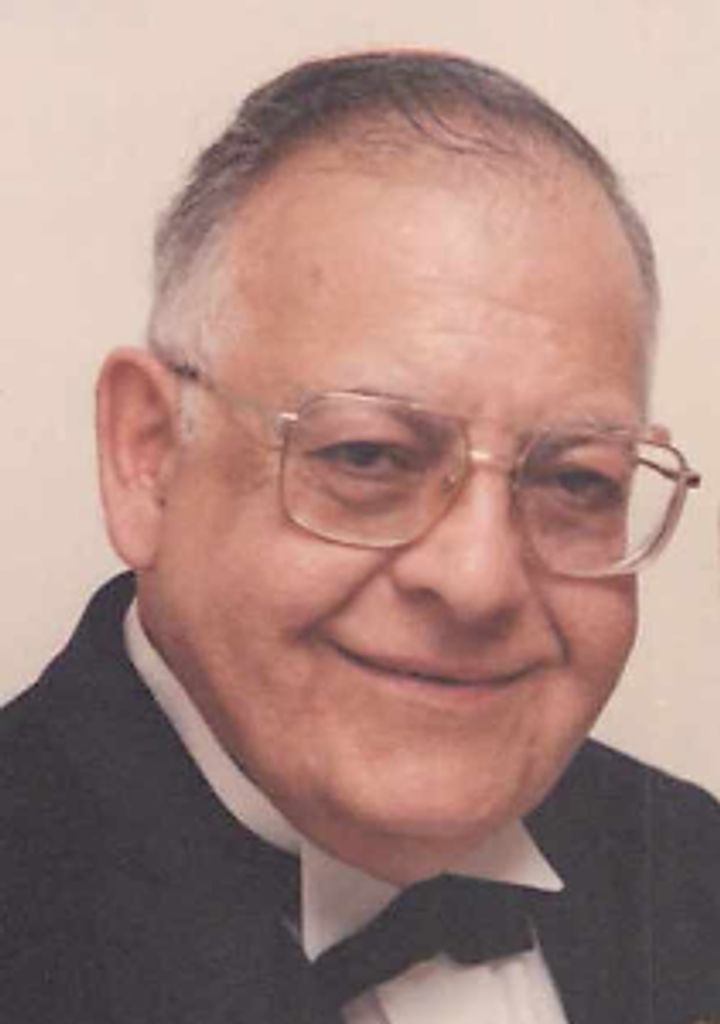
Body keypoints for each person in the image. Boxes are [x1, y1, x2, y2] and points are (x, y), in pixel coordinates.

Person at [1, 49, 718, 1024]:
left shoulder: (692, 871)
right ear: (148, 456)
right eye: (369, 456)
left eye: (574, 478)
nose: (479, 579)